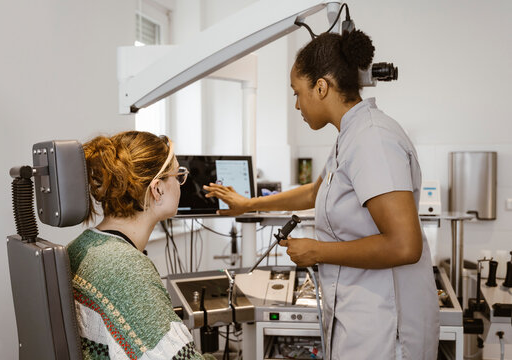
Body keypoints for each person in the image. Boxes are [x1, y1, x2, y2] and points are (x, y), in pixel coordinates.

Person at [204, 30, 439, 360]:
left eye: (297, 93)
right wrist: (249, 204)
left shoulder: (372, 138)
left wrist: (318, 251)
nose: (296, 104)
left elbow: (404, 245)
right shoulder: (351, 135)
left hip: (387, 328)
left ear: (321, 86)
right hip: (363, 321)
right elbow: (316, 192)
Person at [67, 131, 213, 360]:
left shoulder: (83, 245)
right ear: (158, 189)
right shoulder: (125, 268)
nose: (181, 184)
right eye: (178, 175)